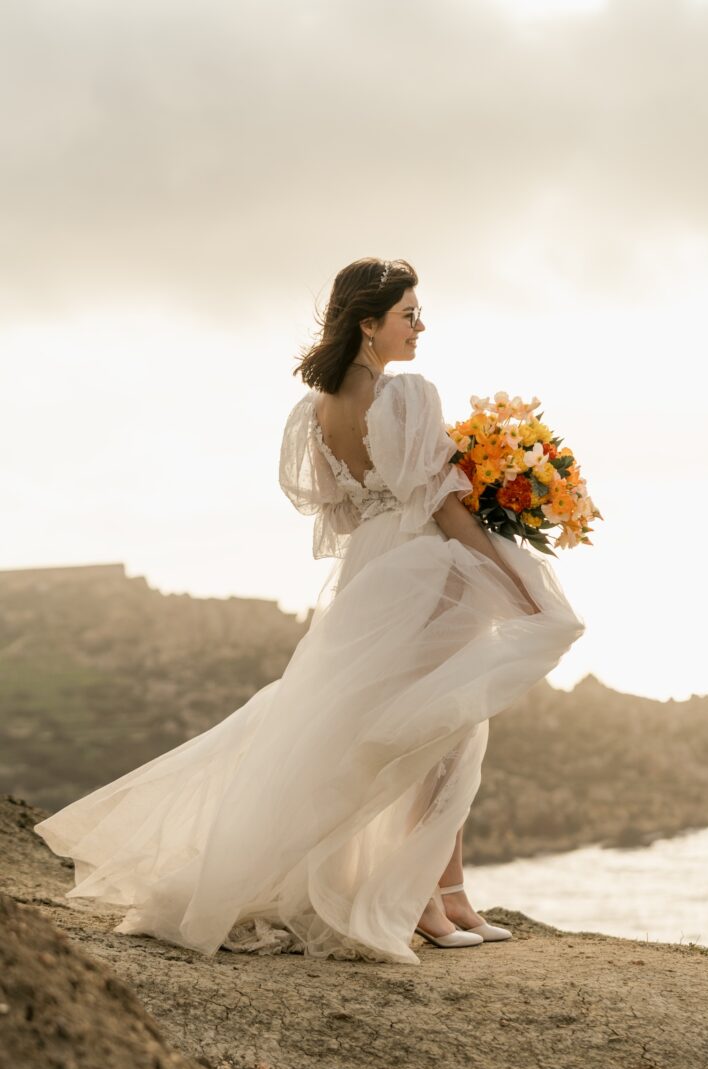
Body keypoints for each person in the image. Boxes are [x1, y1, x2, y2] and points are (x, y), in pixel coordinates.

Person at [34, 257, 585, 965]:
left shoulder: (315, 412)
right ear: (368, 323)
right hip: (425, 566)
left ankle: (448, 895)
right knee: (436, 730)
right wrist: (517, 581)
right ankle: (424, 899)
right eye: (409, 314)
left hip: (373, 574)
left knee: (431, 726)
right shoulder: (408, 396)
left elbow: (344, 515)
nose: (421, 327)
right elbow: (444, 506)